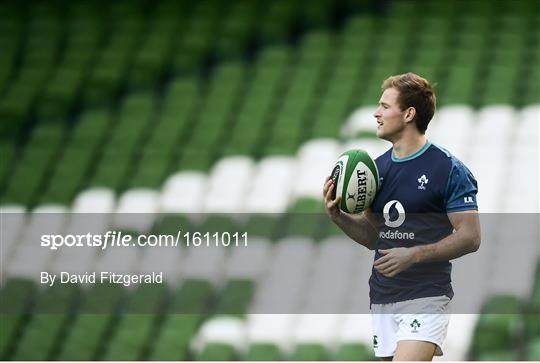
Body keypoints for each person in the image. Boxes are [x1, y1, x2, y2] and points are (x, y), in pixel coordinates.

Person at [323, 73, 481, 361]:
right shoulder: (375, 170)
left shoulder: (447, 168)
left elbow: (470, 237)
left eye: (384, 106)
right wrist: (338, 216)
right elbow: (373, 237)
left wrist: (414, 255)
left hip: (426, 295)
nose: (376, 113)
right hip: (383, 296)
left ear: (409, 114)